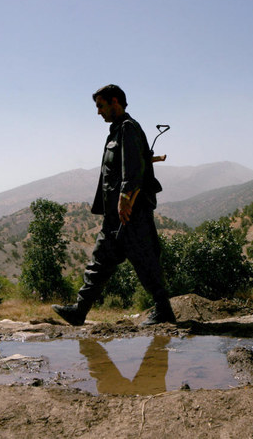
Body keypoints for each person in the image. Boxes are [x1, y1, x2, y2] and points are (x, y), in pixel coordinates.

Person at [52, 84, 176, 327]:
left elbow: (131, 168)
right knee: (99, 262)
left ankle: (163, 310)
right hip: (115, 216)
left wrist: (125, 199)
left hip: (130, 213)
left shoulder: (128, 128)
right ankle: (79, 310)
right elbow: (133, 161)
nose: (98, 111)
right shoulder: (118, 131)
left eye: (101, 105)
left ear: (115, 101)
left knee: (145, 262)